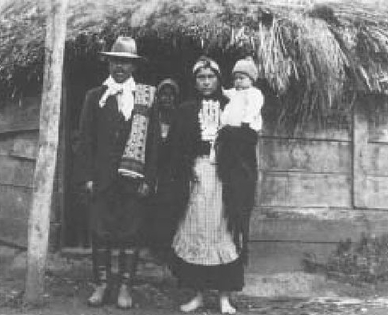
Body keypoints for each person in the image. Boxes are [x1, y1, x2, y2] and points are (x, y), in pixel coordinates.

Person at [166, 56, 262, 314]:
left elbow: (250, 139)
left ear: (219, 79)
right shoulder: (186, 110)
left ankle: (224, 298)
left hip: (226, 179)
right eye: (201, 77)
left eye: (210, 77)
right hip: (195, 179)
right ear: (195, 81)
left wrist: (231, 137)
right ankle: (197, 294)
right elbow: (175, 149)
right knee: (197, 231)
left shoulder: (234, 103)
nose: (206, 82)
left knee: (225, 232)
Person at [73, 36, 159, 309]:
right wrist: (86, 176)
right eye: (115, 61)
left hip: (133, 180)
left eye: (125, 62)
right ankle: (100, 285)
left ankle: (125, 288)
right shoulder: (94, 97)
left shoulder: (146, 98)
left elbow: (154, 143)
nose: (119, 67)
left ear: (134, 67)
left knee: (130, 233)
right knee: (100, 233)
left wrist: (149, 179)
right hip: (101, 178)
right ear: (108, 63)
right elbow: (84, 140)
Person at [147, 78, 180, 259]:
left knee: (167, 208)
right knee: (151, 207)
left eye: (170, 95)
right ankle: (153, 246)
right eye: (163, 95)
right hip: (153, 167)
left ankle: (166, 247)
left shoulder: (178, 117)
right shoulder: (152, 116)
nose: (166, 99)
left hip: (170, 170)